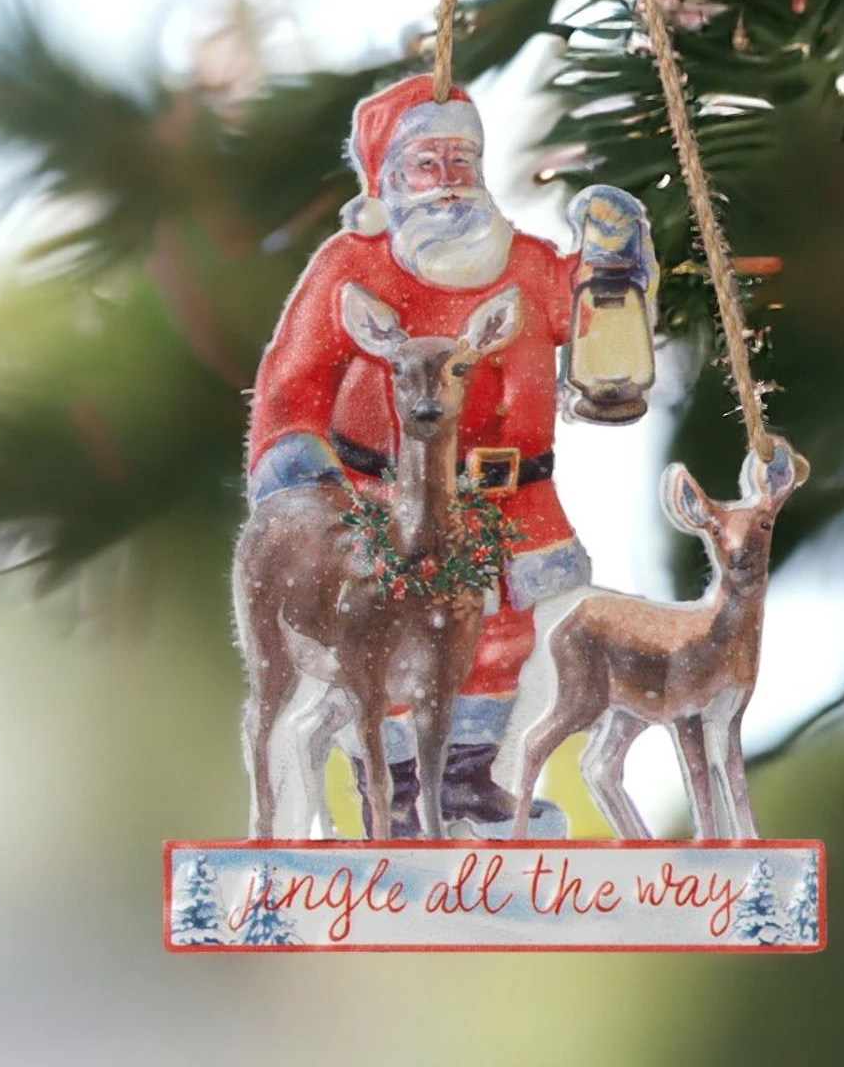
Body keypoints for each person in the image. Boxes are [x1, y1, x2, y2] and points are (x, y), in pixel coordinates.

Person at [246, 74, 655, 836]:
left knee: (498, 640)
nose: (447, 181)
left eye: (462, 162)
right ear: (388, 179)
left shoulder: (524, 261)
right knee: (394, 642)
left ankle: (467, 776)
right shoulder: (350, 267)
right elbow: (291, 384)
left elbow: (589, 309)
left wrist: (615, 255)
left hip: (511, 503)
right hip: (382, 502)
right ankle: (401, 784)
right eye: (425, 164)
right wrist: (302, 486)